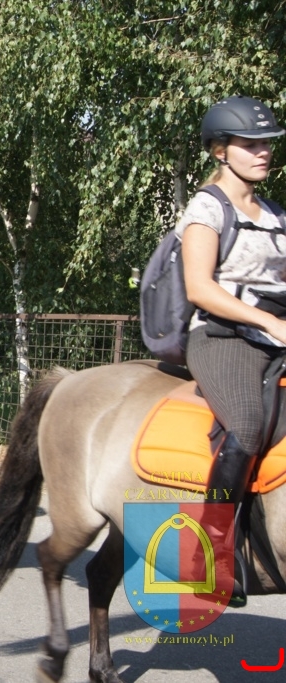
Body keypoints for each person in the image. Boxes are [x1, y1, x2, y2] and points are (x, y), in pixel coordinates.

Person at [180, 95, 286, 604]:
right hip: (222, 339)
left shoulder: (276, 214)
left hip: (274, 336)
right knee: (245, 425)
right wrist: (267, 320)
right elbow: (199, 287)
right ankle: (211, 552)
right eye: (251, 144)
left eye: (267, 143)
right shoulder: (206, 208)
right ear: (220, 151)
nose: (263, 152)